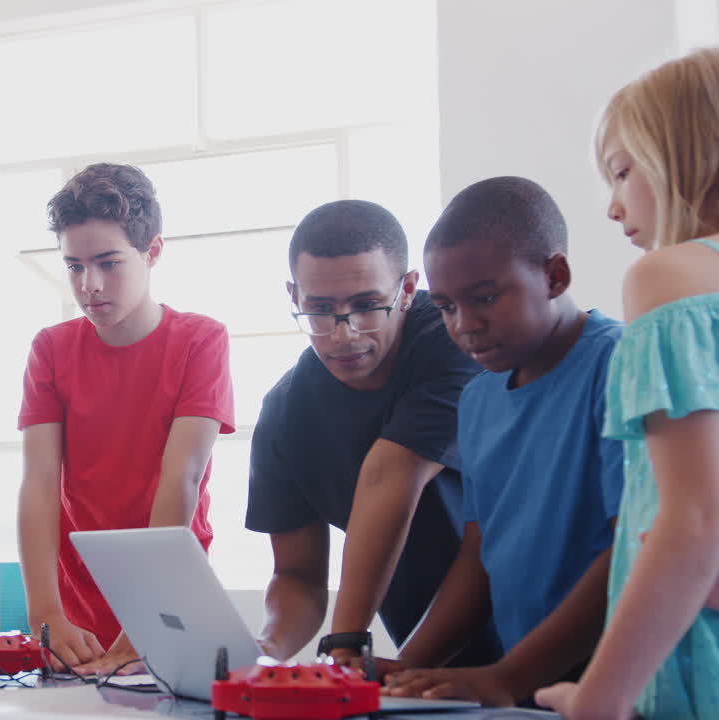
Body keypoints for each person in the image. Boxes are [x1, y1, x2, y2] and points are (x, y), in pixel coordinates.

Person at [380, 176, 623, 706]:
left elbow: (632, 549)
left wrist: (512, 675)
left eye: (485, 297)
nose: (464, 325)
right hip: (533, 688)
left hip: (621, 683)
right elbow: (480, 553)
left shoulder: (621, 365)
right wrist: (404, 668)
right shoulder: (478, 398)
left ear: (554, 276)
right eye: (444, 307)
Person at [536, 48, 719, 720]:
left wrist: (596, 702)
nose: (613, 207)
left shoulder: (669, 277)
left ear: (687, 152)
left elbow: (697, 522)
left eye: (621, 172)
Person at [246, 199, 500, 666]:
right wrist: (263, 654)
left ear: (406, 289)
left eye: (366, 306)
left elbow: (392, 475)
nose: (344, 334)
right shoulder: (285, 413)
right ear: (294, 295)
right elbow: (298, 576)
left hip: (538, 644)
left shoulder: (457, 340)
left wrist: (343, 646)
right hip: (427, 668)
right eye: (319, 310)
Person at [16, 163, 235, 674]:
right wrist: (44, 612)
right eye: (74, 266)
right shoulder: (51, 349)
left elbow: (180, 476)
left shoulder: (200, 340)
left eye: (108, 263)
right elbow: (40, 482)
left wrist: (149, 616)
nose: (89, 284)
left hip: (170, 601)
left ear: (152, 251)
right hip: (75, 619)